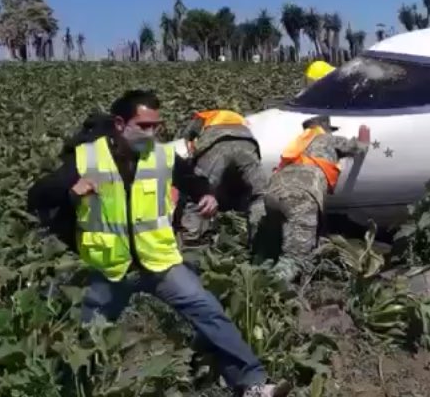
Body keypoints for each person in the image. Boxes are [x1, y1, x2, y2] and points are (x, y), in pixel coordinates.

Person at [27, 89, 286, 397]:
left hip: (159, 263)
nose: (152, 133)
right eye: (144, 126)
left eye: (156, 126)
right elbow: (37, 195)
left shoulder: (162, 156)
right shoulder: (86, 158)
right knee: (87, 339)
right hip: (110, 268)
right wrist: (72, 190)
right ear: (121, 125)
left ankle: (251, 385)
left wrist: (207, 194)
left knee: (209, 312)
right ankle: (72, 389)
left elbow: (193, 179)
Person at [251, 115, 368, 283]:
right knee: (295, 260)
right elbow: (358, 148)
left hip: (273, 194)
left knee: (271, 251)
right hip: (301, 197)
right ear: (325, 129)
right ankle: (266, 290)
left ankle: (254, 277)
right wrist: (364, 138)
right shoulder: (327, 139)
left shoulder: (297, 145)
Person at [172, 109, 270, 247]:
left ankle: (191, 239)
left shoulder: (201, 117)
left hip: (217, 144)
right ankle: (259, 238)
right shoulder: (237, 117)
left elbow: (188, 138)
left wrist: (194, 160)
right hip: (247, 144)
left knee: (200, 192)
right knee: (259, 194)